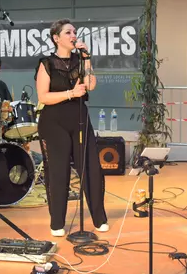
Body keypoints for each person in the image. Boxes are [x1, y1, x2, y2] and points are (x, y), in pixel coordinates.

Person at [34, 19, 108, 237]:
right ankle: (57, 222)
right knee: (58, 172)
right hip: (53, 121)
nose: (73, 35)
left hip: (79, 117)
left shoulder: (80, 59)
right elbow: (43, 97)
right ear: (56, 38)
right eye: (68, 32)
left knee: (91, 167)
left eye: (74, 32)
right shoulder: (46, 63)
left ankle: (98, 218)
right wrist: (70, 93)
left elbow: (91, 85)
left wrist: (87, 59)